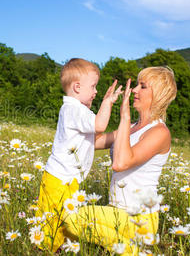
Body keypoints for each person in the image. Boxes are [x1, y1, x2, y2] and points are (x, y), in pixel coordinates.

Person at [65, 66, 177, 255]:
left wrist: (124, 116)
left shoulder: (159, 132)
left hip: (140, 219)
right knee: (69, 221)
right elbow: (94, 142)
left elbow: (121, 164)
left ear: (157, 95)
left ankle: (135, 251)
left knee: (72, 220)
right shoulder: (132, 127)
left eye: (142, 86)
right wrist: (104, 105)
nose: (133, 90)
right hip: (117, 212)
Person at [36, 58, 122, 252]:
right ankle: (45, 250)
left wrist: (125, 132)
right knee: (51, 222)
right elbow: (100, 126)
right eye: (93, 86)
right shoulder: (74, 109)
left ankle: (58, 248)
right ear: (77, 87)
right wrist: (107, 102)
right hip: (59, 179)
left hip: (68, 179)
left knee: (65, 220)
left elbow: (97, 140)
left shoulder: (77, 111)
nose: (96, 92)